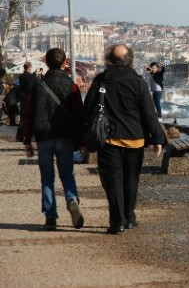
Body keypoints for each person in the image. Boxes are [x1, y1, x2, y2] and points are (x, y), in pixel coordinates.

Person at [84, 44, 165, 234]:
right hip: (135, 139)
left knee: (113, 182)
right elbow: (149, 113)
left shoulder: (101, 80)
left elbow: (88, 111)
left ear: (108, 61)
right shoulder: (138, 82)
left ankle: (117, 221)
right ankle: (129, 217)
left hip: (109, 139)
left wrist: (83, 139)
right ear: (130, 60)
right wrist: (158, 139)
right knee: (131, 180)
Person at [22, 48, 85, 231]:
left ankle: (50, 217)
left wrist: (27, 141)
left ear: (46, 63)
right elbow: (78, 114)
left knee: (47, 178)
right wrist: (81, 141)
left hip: (43, 136)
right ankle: (72, 199)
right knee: (67, 174)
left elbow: (28, 114)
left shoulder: (38, 85)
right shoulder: (71, 85)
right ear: (65, 63)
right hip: (65, 135)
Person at [17, 62, 37, 141]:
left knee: (23, 119)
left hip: (23, 100)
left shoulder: (22, 76)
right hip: (29, 100)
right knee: (29, 118)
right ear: (30, 67)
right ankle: (25, 135)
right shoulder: (29, 76)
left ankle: (20, 136)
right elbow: (33, 84)